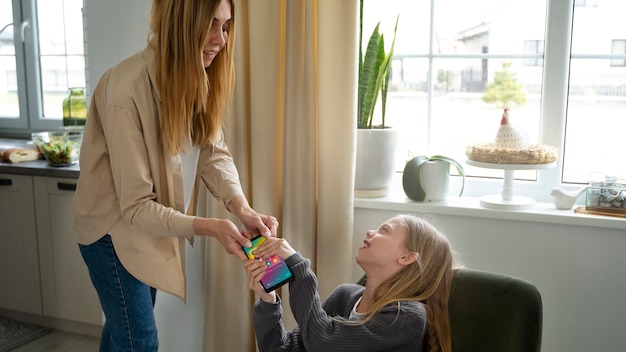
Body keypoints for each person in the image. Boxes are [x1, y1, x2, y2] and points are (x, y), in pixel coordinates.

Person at [72, 0, 277, 350]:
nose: (221, 39)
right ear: (182, 24)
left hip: (148, 225)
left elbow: (212, 149)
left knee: (123, 333)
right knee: (140, 341)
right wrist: (210, 226)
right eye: (211, 25)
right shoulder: (126, 92)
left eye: (226, 27)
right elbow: (135, 207)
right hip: (112, 233)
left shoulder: (195, 75)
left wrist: (241, 208)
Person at [243, 214, 455, 352]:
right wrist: (268, 301)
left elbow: (323, 342)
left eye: (384, 231)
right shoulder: (345, 296)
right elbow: (284, 349)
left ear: (407, 257)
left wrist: (297, 265)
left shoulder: (408, 318)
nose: (370, 232)